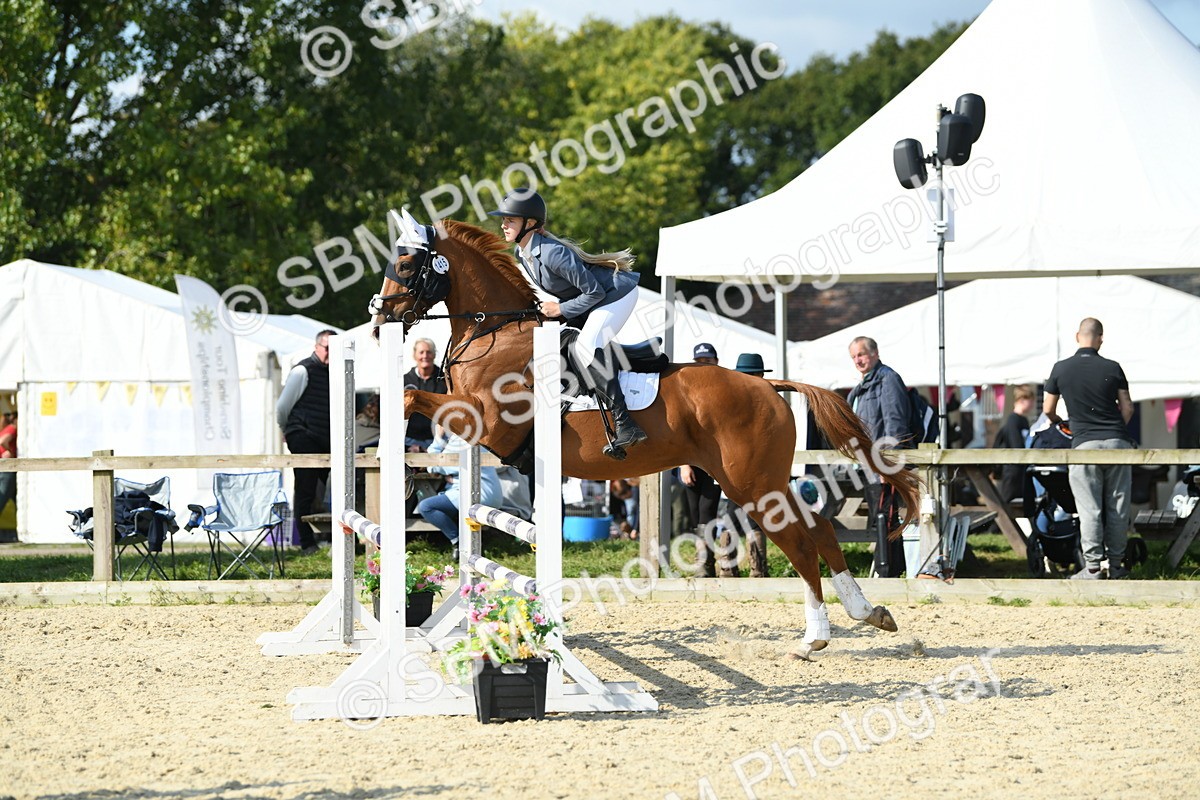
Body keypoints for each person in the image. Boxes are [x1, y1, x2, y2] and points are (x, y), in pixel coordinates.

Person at [488, 189, 645, 459]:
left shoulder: (552, 253)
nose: (503, 224)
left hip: (616, 295)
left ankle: (626, 424)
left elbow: (594, 292)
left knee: (586, 347)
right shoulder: (523, 253)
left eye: (510, 220)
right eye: (504, 219)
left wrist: (559, 309)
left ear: (530, 223)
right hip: (594, 299)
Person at [1043, 318, 1135, 580]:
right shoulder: (1113, 367)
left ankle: (1093, 567)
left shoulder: (1061, 369)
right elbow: (1127, 407)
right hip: (1117, 444)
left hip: (1084, 444)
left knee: (1090, 508)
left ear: (1077, 337)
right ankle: (1117, 567)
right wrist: (1116, 430)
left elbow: (1048, 409)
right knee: (1118, 507)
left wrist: (1060, 424)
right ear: (1101, 339)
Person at [846, 336, 910, 577]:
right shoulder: (862, 386)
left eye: (861, 354)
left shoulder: (887, 379)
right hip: (867, 463)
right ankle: (890, 567)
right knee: (880, 518)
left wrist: (889, 465)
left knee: (887, 517)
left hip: (882, 463)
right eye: (853, 356)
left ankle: (890, 572)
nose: (857, 360)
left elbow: (895, 423)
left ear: (874, 353)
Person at [276, 330, 336, 555]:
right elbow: (282, 407)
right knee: (306, 489)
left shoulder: (337, 372)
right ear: (317, 347)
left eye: (334, 349)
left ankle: (329, 539)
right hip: (303, 434)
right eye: (327, 348)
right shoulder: (302, 370)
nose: (330, 353)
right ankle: (307, 543)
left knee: (330, 490)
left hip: (325, 437)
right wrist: (286, 430)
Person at [714, 353, 773, 578]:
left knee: (746, 517)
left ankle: (735, 568)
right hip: (739, 467)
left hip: (740, 468)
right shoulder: (762, 402)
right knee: (740, 516)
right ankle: (746, 568)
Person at [417, 426, 503, 549]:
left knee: (426, 507)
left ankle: (458, 542)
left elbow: (433, 463)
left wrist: (437, 438)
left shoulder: (460, 440)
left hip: (479, 494)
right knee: (443, 502)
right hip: (489, 493)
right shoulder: (474, 437)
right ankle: (468, 541)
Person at [680, 343, 725, 575]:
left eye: (707, 361)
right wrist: (684, 464)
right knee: (694, 514)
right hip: (693, 462)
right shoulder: (686, 393)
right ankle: (703, 559)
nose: (703, 366)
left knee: (707, 511)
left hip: (713, 463)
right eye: (699, 362)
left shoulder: (722, 391)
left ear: (716, 362)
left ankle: (706, 562)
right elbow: (678, 432)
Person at [992, 385, 1034, 503]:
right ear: (1021, 400)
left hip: (1021, 471)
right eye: (1030, 401)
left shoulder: (1024, 420)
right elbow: (1016, 445)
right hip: (1012, 471)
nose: (1032, 405)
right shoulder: (1013, 420)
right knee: (1008, 506)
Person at [403, 338, 447, 452]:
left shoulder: (445, 380)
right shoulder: (404, 381)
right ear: (414, 355)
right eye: (421, 352)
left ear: (434, 355)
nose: (425, 355)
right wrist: (406, 447)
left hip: (438, 441)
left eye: (429, 352)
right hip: (408, 440)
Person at [0, 410, 17, 514]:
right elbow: (2, 441)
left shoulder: (5, 429)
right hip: (8, 469)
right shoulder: (13, 428)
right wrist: (10, 452)